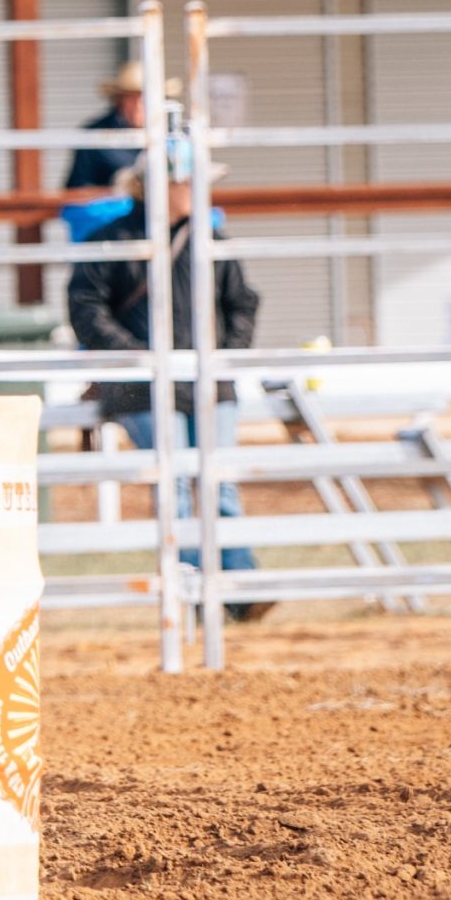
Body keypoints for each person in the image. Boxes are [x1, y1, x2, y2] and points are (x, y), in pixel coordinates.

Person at [66, 139, 264, 600]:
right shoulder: (111, 241)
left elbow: (242, 304)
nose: (199, 192)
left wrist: (221, 356)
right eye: (189, 183)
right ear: (162, 186)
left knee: (219, 485)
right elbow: (87, 312)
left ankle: (236, 587)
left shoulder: (210, 240)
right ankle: (200, 590)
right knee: (175, 487)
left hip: (205, 381)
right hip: (142, 385)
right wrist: (142, 359)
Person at [63, 60, 176, 193]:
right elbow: (77, 188)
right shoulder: (94, 134)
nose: (138, 106)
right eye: (131, 98)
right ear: (118, 100)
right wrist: (114, 189)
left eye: (145, 98)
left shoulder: (174, 134)